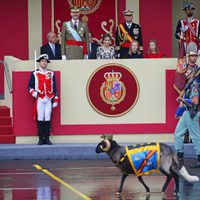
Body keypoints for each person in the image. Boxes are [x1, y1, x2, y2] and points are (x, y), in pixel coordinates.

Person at [174, 53, 200, 168]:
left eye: (188, 72)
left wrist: (183, 100)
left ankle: (199, 158)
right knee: (177, 134)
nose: (186, 73)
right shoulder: (188, 85)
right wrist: (178, 111)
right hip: (185, 113)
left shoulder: (194, 85)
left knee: (195, 136)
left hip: (192, 112)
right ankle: (179, 158)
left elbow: (195, 101)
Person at [28, 54, 59, 145]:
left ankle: (47, 138)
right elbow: (29, 86)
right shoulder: (34, 73)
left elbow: (54, 86)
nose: (44, 63)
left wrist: (56, 98)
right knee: (40, 117)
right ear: (39, 62)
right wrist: (33, 92)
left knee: (48, 117)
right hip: (40, 98)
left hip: (49, 98)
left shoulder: (51, 73)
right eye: (42, 61)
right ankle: (41, 138)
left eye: (45, 61)